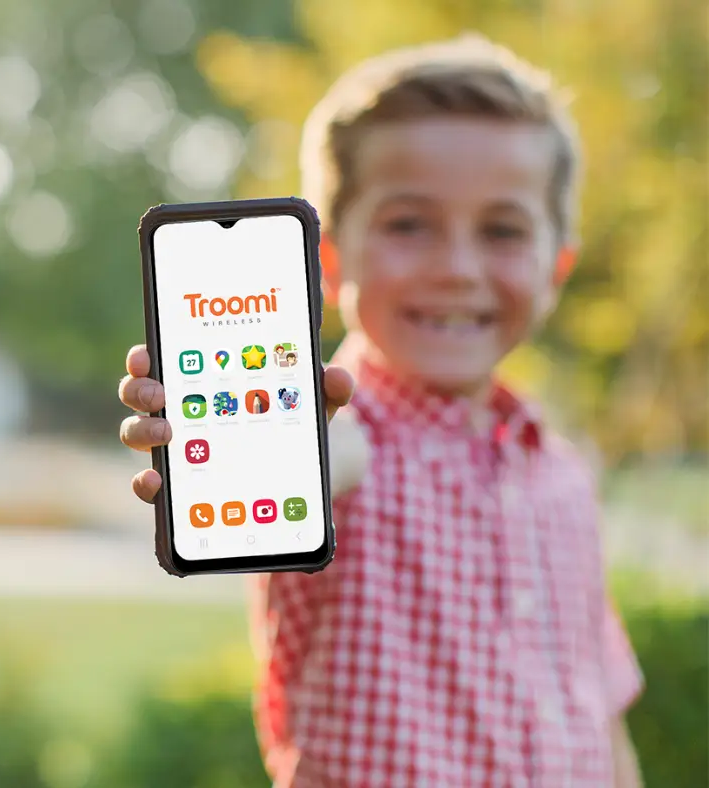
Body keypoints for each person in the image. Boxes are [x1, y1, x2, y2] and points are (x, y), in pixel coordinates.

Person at [118, 34, 644, 787]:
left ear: (557, 266)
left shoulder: (561, 475)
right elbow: (308, 466)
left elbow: (602, 719)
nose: (457, 268)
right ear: (329, 262)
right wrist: (226, 442)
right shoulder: (340, 443)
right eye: (408, 225)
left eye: (502, 230)